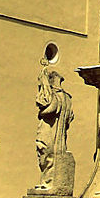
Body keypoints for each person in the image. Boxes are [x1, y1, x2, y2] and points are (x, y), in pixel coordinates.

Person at [35, 61, 74, 189]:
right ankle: (47, 181)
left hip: (49, 130)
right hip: (58, 132)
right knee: (47, 154)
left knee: (45, 153)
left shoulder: (56, 97)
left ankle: (48, 182)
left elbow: (48, 108)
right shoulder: (67, 98)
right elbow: (70, 117)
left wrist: (45, 86)